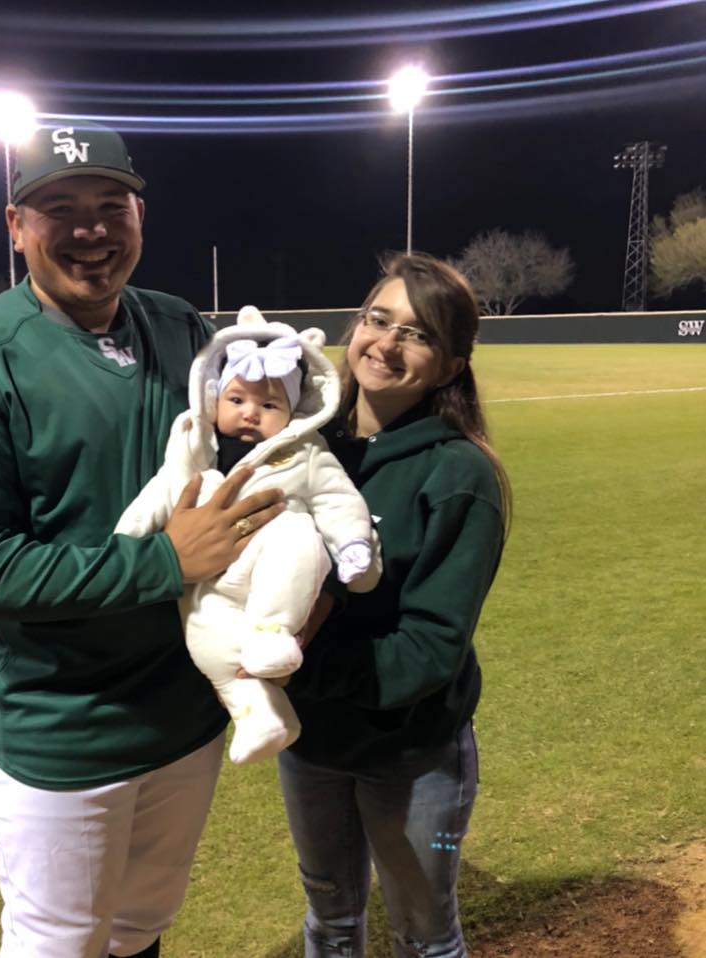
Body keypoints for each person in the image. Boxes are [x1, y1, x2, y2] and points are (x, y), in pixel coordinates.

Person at [0, 122, 284, 958]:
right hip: (60, 724)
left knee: (139, 930)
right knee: (57, 944)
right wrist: (165, 561)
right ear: (16, 226)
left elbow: (254, 446)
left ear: (139, 217)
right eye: (59, 208)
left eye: (111, 205)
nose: (91, 230)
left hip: (184, 710)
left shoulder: (182, 328)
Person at [278, 252, 511, 958]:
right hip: (311, 744)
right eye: (377, 319)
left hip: (414, 755)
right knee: (328, 915)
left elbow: (430, 648)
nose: (385, 342)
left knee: (424, 934)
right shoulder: (305, 446)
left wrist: (292, 670)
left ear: (449, 365)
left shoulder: (458, 476)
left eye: (417, 334)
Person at [114, 306, 380, 765]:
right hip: (209, 582)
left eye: (269, 404)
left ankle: (272, 630)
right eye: (237, 400)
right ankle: (260, 715)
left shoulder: (306, 453)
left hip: (272, 566)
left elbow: (339, 500)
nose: (250, 413)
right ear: (214, 397)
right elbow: (161, 490)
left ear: (293, 411)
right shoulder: (193, 444)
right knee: (203, 634)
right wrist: (127, 540)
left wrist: (354, 545)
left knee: (297, 535)